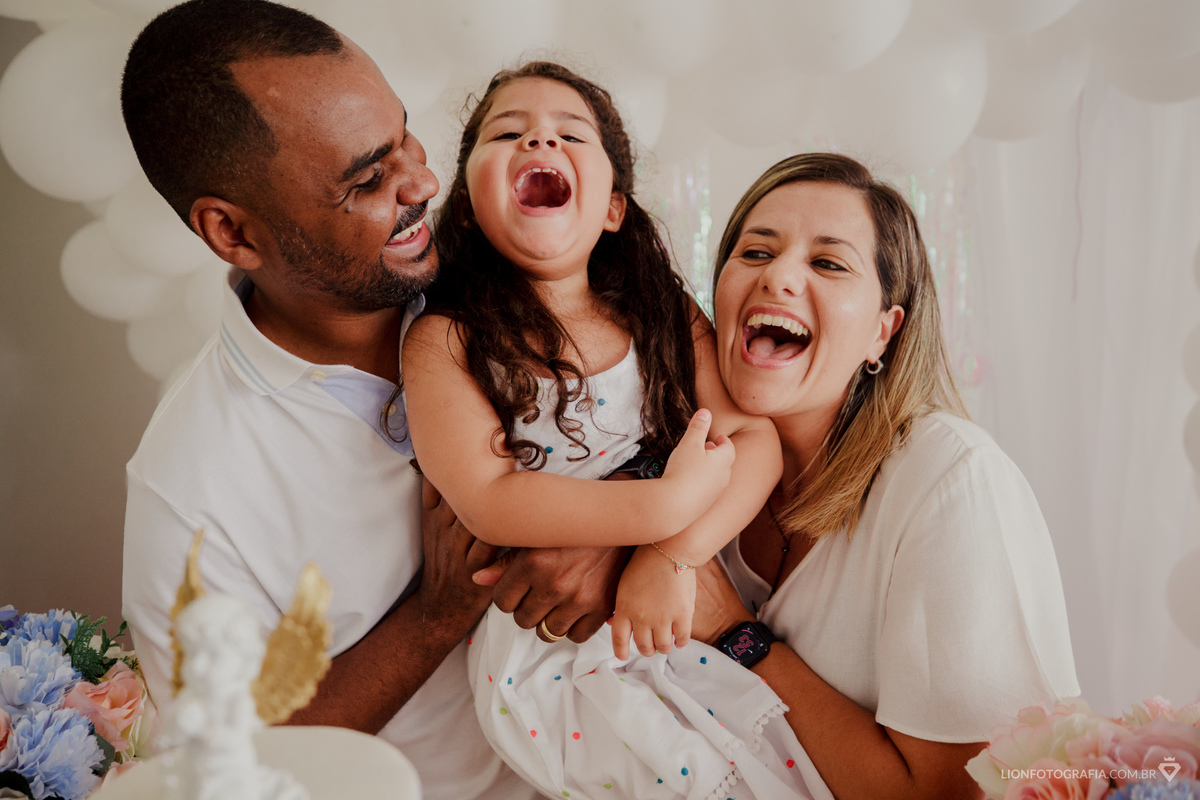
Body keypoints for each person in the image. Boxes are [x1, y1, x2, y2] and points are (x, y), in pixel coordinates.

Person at [118, 4, 613, 798]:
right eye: (366, 179)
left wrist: (612, 532)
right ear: (233, 233)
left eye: (405, 136)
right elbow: (232, 769)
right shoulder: (192, 495)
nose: (421, 180)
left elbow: (686, 405)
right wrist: (436, 613)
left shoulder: (510, 260)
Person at [401, 62, 823, 799]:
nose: (540, 137)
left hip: (675, 608)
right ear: (467, 204)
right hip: (551, 645)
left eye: (571, 134)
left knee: (765, 772)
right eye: (509, 131)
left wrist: (673, 553)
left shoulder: (658, 309)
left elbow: (752, 442)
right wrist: (660, 509)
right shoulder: (445, 340)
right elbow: (489, 497)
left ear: (613, 210)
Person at [682, 153, 1081, 799]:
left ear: (882, 333)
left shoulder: (952, 482)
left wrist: (734, 632)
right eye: (755, 253)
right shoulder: (684, 465)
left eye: (828, 262)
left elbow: (952, 794)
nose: (778, 275)